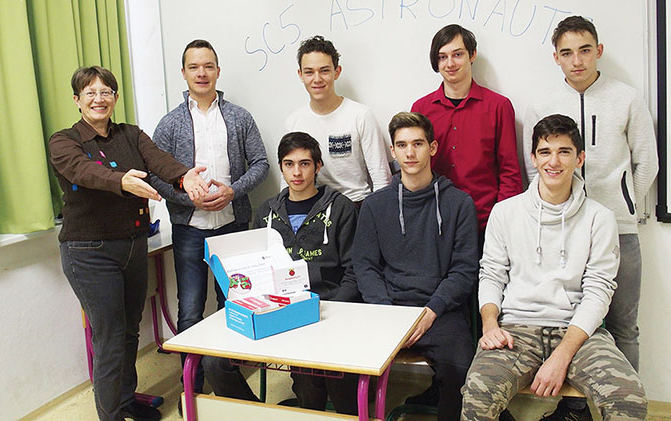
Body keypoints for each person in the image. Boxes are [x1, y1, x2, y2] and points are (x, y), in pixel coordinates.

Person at [461, 114, 647, 421]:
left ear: (579, 159)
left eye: (564, 152)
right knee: (477, 397)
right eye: (545, 152)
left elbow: (598, 292)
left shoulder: (599, 218)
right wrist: (490, 325)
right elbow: (491, 274)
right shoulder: (505, 212)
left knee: (629, 399)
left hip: (579, 333)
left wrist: (562, 356)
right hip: (515, 330)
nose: (554, 161)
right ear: (533, 159)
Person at [49, 66, 209, 421]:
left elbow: (158, 160)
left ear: (116, 97)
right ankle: (112, 416)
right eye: (90, 93)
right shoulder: (64, 141)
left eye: (106, 92)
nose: (99, 99)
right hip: (89, 252)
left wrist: (183, 176)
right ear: (77, 100)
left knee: (129, 331)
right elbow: (82, 171)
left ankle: (124, 401)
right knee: (109, 339)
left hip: (134, 245)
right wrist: (121, 181)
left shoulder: (131, 134)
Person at [522, 17, 658, 419]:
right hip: (563, 233)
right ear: (556, 58)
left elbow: (647, 163)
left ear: (598, 51)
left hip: (620, 229)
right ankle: (575, 410)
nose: (577, 60)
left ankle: (626, 406)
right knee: (572, 322)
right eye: (567, 53)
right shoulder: (542, 103)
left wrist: (623, 204)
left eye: (584, 50)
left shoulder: (627, 98)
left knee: (623, 326)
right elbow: (535, 168)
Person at [202, 131, 360, 412]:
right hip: (274, 310)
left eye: (304, 164)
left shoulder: (342, 209)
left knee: (307, 374)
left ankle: (312, 411)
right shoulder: (266, 212)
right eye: (289, 164)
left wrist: (329, 309)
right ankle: (255, 413)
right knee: (213, 363)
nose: (297, 172)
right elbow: (254, 269)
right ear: (281, 167)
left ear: (318, 166)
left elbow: (354, 272)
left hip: (324, 309)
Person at [410, 23, 522, 406]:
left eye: (457, 54)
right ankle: (446, 383)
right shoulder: (422, 108)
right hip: (436, 228)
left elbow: (510, 172)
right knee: (445, 308)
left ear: (471, 55)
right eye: (442, 57)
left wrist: (502, 227)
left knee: (484, 308)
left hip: (486, 225)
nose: (450, 63)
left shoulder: (498, 106)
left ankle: (483, 392)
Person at [150, 39, 269, 396]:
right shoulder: (169, 124)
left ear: (218, 70)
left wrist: (234, 191)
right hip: (190, 230)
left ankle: (229, 386)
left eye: (208, 66)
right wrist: (187, 197)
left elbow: (261, 163)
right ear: (183, 73)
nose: (201, 73)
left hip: (233, 226)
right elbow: (156, 175)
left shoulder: (239, 117)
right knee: (190, 310)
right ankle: (193, 389)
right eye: (194, 67)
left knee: (234, 304)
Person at [353, 111, 479, 421]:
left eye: (418, 144)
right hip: (389, 308)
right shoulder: (375, 205)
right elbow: (365, 266)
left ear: (433, 148)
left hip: (439, 310)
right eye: (402, 145)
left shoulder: (460, 203)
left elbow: (464, 270)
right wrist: (387, 311)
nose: (410, 152)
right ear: (393, 151)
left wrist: (432, 310)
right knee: (347, 360)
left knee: (461, 368)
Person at [285, 35, 391, 204]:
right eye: (309, 72)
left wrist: (378, 214)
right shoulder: (294, 122)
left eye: (324, 70)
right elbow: (288, 179)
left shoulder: (361, 116)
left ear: (337, 71)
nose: (317, 79)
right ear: (301, 75)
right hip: (314, 209)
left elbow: (381, 178)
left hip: (356, 205)